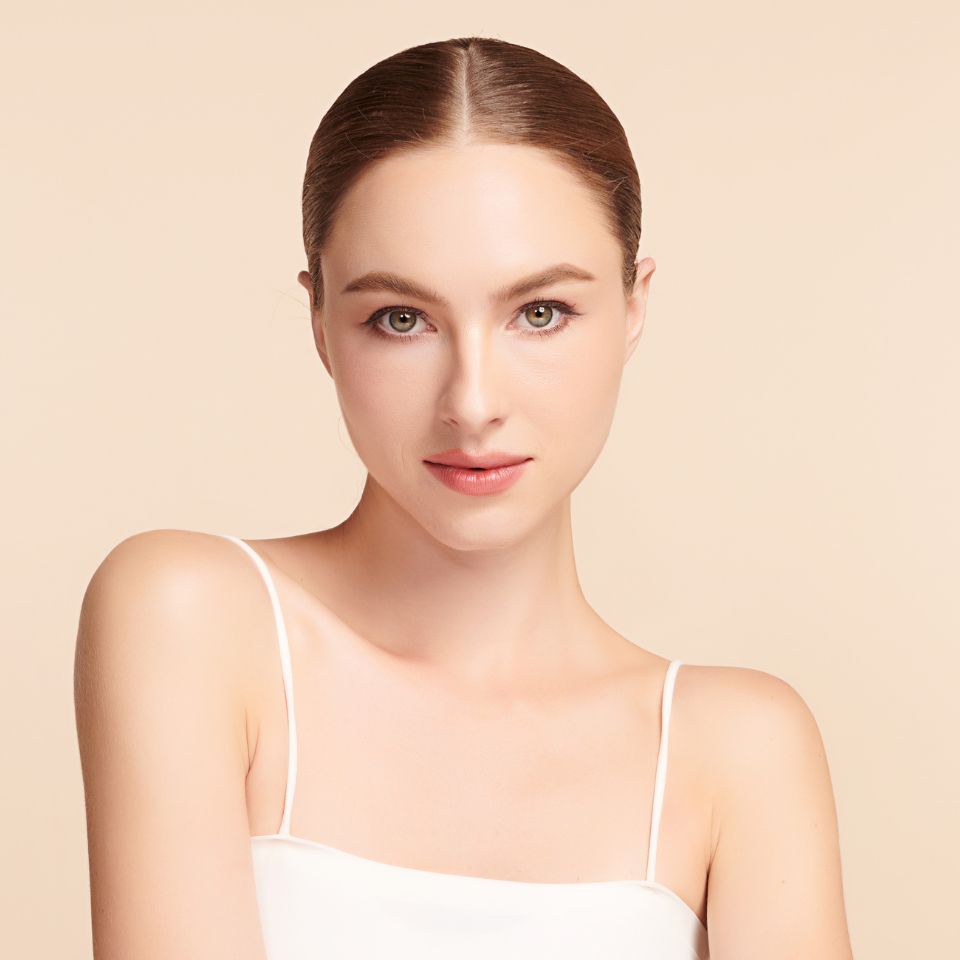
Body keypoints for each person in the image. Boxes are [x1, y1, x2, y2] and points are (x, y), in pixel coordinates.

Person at [73, 35, 853, 960]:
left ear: (634, 305)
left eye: (541, 312)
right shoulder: (194, 617)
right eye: (400, 319)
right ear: (321, 321)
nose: (473, 403)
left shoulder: (740, 750)